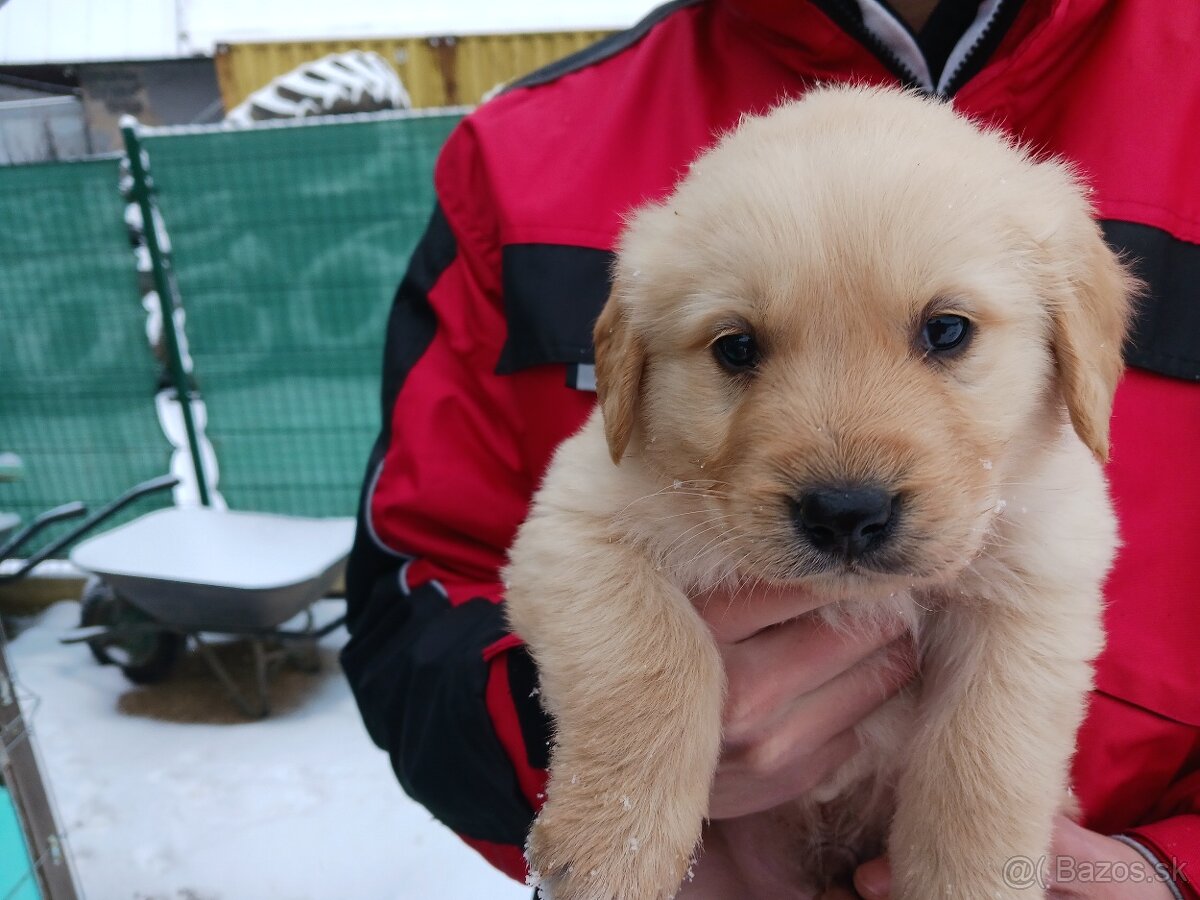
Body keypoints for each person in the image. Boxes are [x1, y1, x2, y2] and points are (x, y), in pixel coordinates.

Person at [340, 1, 1200, 897]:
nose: (846, 479)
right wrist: (630, 740)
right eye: (738, 350)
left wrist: (1157, 873)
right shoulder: (519, 157)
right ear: (627, 360)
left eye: (946, 335)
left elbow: (1032, 630)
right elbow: (543, 556)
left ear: (1077, 337)